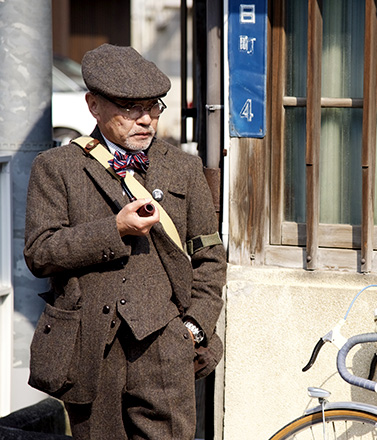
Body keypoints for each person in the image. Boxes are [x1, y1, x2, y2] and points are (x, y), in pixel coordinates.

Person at [23, 44, 227, 439]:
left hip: (166, 347)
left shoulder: (183, 168)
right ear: (93, 105)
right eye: (131, 108)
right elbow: (39, 251)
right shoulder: (56, 168)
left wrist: (193, 329)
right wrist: (113, 229)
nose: (146, 119)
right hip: (86, 349)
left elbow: (210, 255)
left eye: (153, 106)